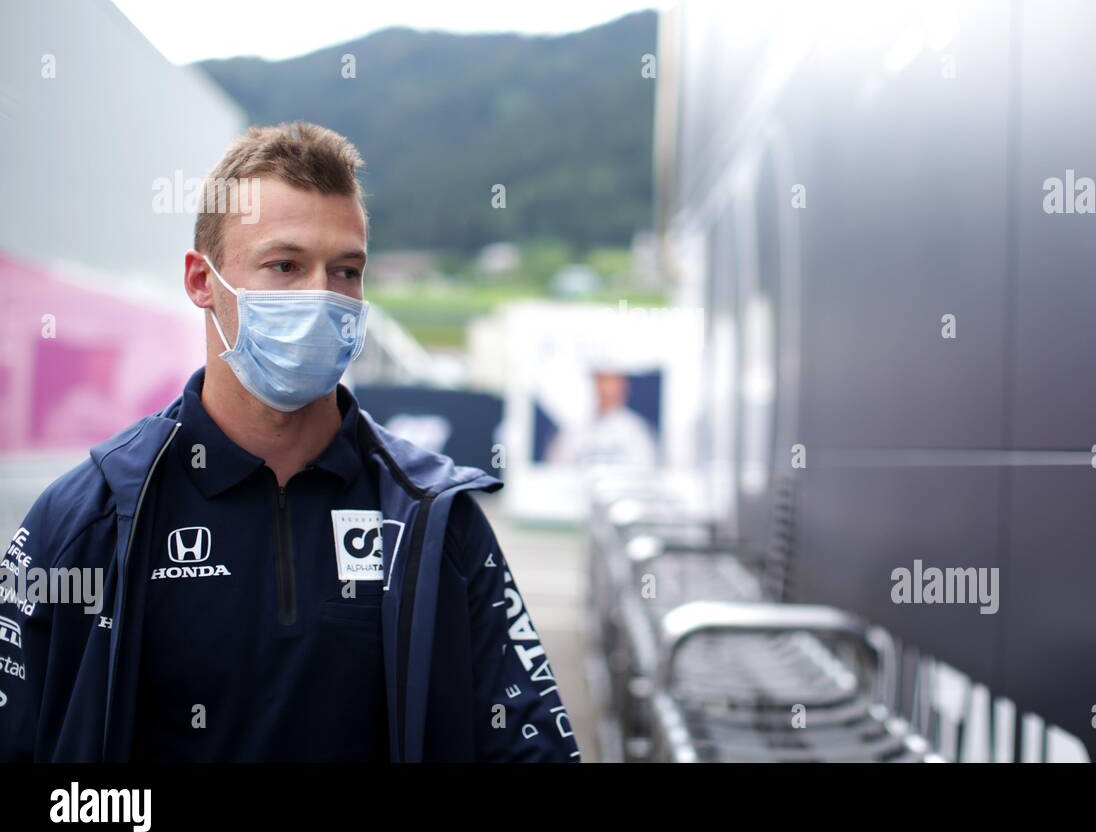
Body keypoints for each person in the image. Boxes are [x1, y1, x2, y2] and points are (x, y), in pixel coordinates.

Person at [0, 122, 579, 762]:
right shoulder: (90, 517)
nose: (322, 298)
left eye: (346, 271)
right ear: (201, 281)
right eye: (285, 266)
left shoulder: (432, 518)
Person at [546, 370, 657, 469]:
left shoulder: (636, 429)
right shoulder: (571, 427)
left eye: (614, 381)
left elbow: (646, 472)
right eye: (603, 381)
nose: (609, 389)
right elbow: (556, 469)